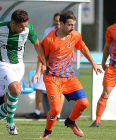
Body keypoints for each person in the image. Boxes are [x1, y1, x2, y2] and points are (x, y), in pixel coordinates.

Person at [30, 10, 102, 138]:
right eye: (69, 25)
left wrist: (94, 64)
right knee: (56, 109)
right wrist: (37, 73)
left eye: (73, 25)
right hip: (52, 78)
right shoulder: (50, 39)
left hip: (69, 76)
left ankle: (70, 121)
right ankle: (47, 131)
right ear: (61, 24)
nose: (72, 27)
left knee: (84, 103)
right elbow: (41, 56)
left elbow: (83, 48)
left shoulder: (75, 35)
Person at [0, 9, 46, 137]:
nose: (24, 29)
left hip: (19, 67)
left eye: (25, 26)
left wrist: (44, 62)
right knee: (16, 89)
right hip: (3, 64)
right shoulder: (0, 26)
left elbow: (37, 44)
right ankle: (10, 122)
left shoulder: (28, 29)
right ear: (13, 23)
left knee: (9, 104)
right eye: (21, 26)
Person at [24, 13, 65, 120]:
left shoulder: (67, 32)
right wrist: (42, 64)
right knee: (38, 87)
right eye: (55, 20)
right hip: (48, 65)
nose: (57, 23)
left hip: (60, 66)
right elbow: (44, 49)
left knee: (60, 90)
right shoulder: (48, 31)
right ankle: (37, 112)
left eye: (59, 21)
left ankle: (58, 114)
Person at [90, 23, 116, 127]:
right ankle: (97, 121)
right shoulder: (111, 29)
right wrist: (104, 62)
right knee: (105, 93)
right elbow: (106, 47)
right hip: (113, 68)